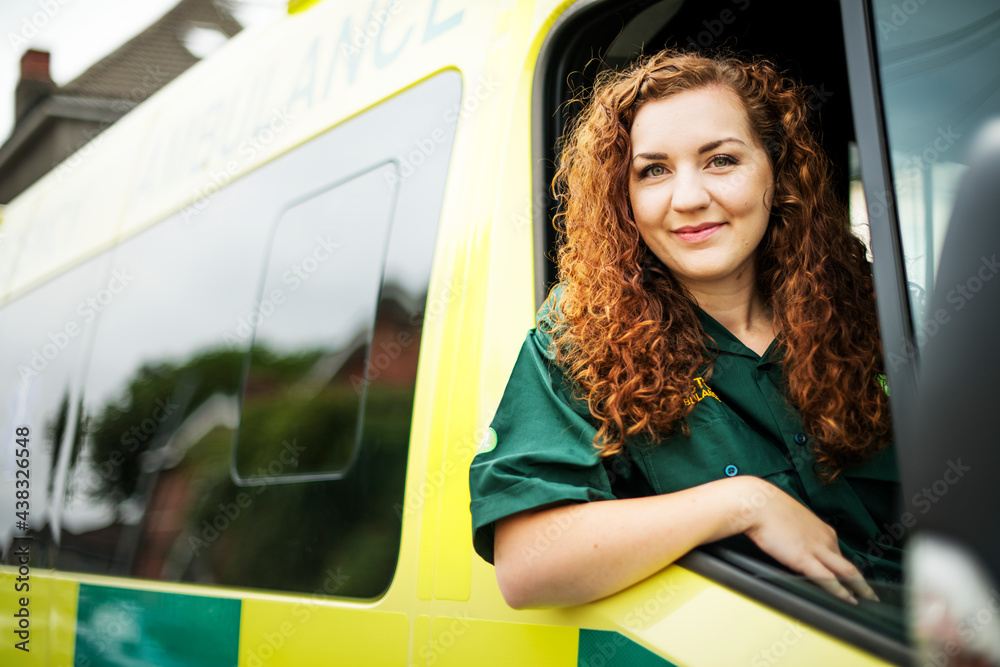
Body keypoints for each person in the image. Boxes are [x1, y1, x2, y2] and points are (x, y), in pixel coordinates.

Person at [468, 49, 902, 610]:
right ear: (623, 199)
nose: (690, 198)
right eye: (653, 171)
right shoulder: (580, 340)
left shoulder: (872, 310)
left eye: (721, 160)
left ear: (777, 169)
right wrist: (743, 503)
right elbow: (529, 566)